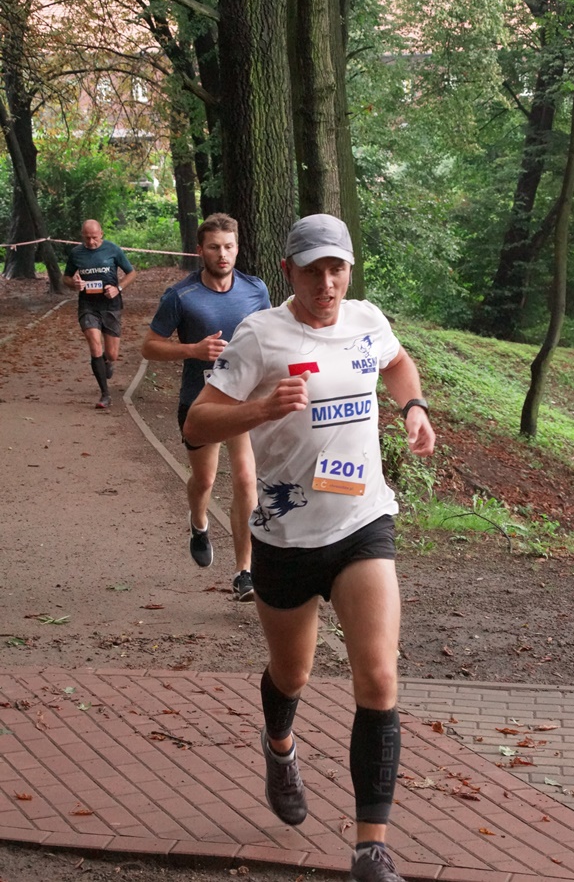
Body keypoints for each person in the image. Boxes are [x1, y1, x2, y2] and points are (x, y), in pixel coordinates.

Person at [182, 214, 435, 882]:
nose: (327, 283)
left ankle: (371, 848)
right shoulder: (260, 335)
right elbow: (197, 423)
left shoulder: (367, 320)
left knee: (378, 676)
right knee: (291, 675)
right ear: (288, 271)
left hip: (362, 521)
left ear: (349, 270)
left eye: (337, 269)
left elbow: (397, 363)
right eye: (314, 270)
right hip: (286, 536)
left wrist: (413, 407)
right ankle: (280, 745)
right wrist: (259, 410)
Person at [141, 213, 271, 602]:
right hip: (200, 402)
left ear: (238, 248)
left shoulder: (255, 289)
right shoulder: (180, 296)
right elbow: (149, 347)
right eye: (214, 247)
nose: (222, 254)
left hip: (243, 399)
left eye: (229, 246)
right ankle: (198, 521)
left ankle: (245, 572)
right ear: (201, 250)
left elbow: (270, 337)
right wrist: (194, 350)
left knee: (246, 479)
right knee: (205, 480)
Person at [64, 219, 137, 409]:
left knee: (112, 354)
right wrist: (74, 284)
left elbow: (131, 273)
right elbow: (66, 278)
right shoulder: (76, 253)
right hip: (87, 305)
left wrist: (118, 288)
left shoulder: (113, 250)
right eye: (87, 238)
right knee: (94, 345)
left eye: (94, 238)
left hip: (111, 305)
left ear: (101, 234)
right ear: (82, 236)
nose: (91, 242)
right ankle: (105, 394)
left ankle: (108, 360)